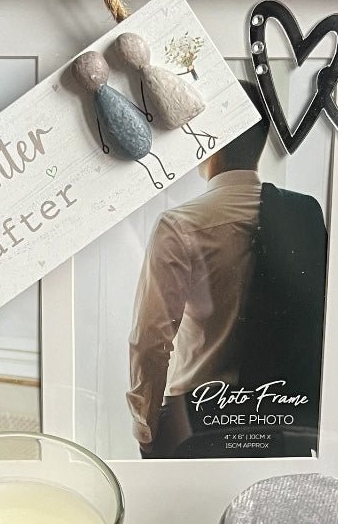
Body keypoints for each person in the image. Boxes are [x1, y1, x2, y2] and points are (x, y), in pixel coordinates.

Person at [126, 82, 326, 459]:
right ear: (262, 138)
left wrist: (147, 428)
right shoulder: (305, 215)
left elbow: (151, 341)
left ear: (209, 140)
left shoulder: (180, 225)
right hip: (283, 423)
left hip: (198, 423)